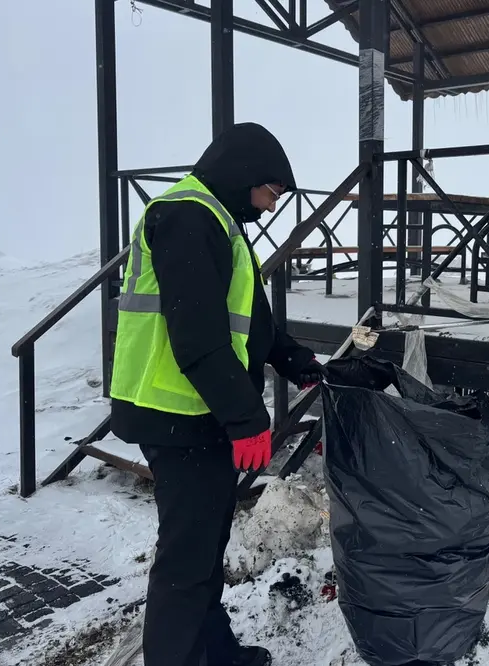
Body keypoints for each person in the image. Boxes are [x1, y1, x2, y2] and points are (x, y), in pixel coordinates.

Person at [109, 122, 324, 666]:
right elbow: (198, 336)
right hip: (175, 416)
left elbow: (251, 324)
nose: (271, 207)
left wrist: (298, 363)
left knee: (204, 551)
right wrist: (247, 418)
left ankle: (216, 653)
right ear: (245, 175)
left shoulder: (218, 221)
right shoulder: (188, 217)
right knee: (186, 562)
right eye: (271, 193)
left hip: (196, 415)